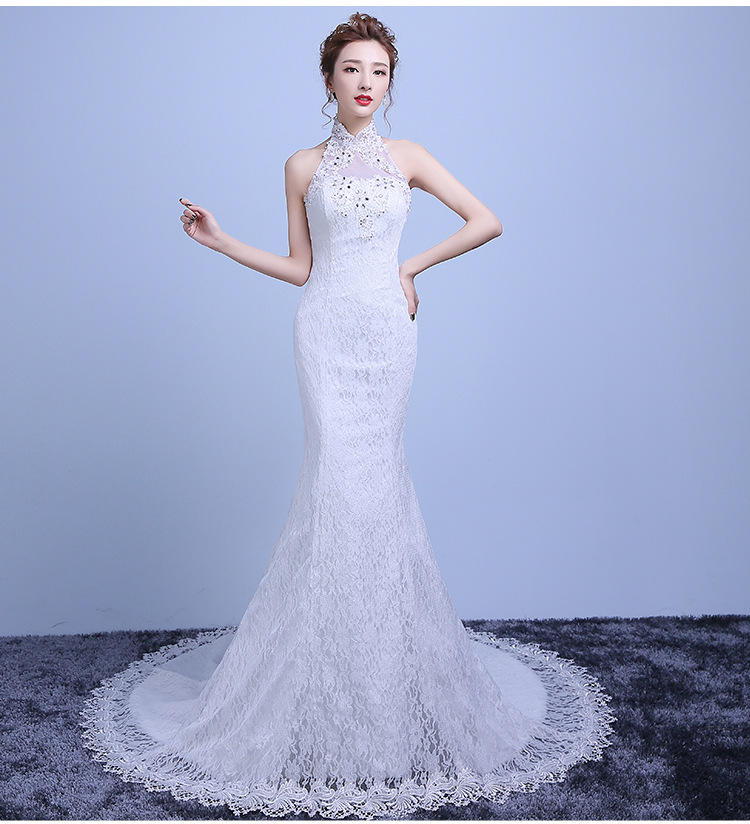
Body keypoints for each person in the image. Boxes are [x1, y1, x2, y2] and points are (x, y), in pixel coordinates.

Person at [79, 12, 616, 820]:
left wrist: (411, 266)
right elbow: (303, 267)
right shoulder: (301, 164)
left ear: (390, 84)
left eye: (380, 72)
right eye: (353, 69)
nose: (367, 82)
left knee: (377, 492)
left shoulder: (410, 157)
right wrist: (221, 242)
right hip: (326, 332)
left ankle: (387, 686)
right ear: (329, 79)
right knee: (334, 490)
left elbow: (487, 220)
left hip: (386, 335)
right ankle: (327, 689)